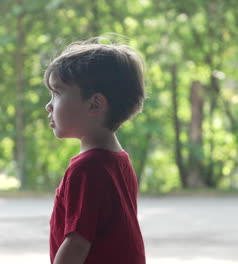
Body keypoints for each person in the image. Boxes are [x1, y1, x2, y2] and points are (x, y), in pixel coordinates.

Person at [44, 37, 147, 264]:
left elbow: (76, 244)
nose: (48, 105)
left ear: (95, 104)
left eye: (57, 93)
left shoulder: (86, 169)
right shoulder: (119, 161)